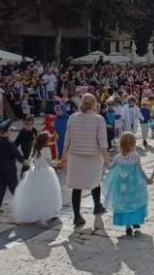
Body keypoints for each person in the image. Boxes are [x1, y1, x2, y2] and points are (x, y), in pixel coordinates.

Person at [63, 93, 109, 228]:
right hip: (93, 156)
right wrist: (107, 159)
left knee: (76, 186)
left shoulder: (72, 118)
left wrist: (63, 156)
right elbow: (102, 142)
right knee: (95, 182)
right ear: (94, 104)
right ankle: (97, 206)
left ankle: (77, 215)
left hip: (76, 155)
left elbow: (67, 139)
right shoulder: (98, 119)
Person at [102, 132, 149, 236]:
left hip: (121, 186)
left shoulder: (118, 157)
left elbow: (110, 167)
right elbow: (141, 170)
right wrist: (147, 179)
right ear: (133, 144)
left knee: (124, 204)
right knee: (135, 203)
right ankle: (136, 223)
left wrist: (105, 162)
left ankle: (128, 226)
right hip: (134, 185)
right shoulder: (136, 156)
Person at [11, 133, 62, 225]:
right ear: (45, 141)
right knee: (48, 193)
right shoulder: (46, 149)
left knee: (35, 193)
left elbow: (30, 160)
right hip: (46, 172)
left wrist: (33, 168)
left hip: (35, 171)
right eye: (48, 139)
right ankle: (48, 212)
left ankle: (35, 213)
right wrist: (59, 163)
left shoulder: (35, 149)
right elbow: (50, 163)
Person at [0, 119, 27, 215]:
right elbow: (16, 153)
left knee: (0, 188)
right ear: (2, 133)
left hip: (1, 168)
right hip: (9, 169)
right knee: (15, 188)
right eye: (9, 130)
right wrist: (23, 161)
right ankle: (23, 207)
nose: (10, 131)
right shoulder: (8, 143)